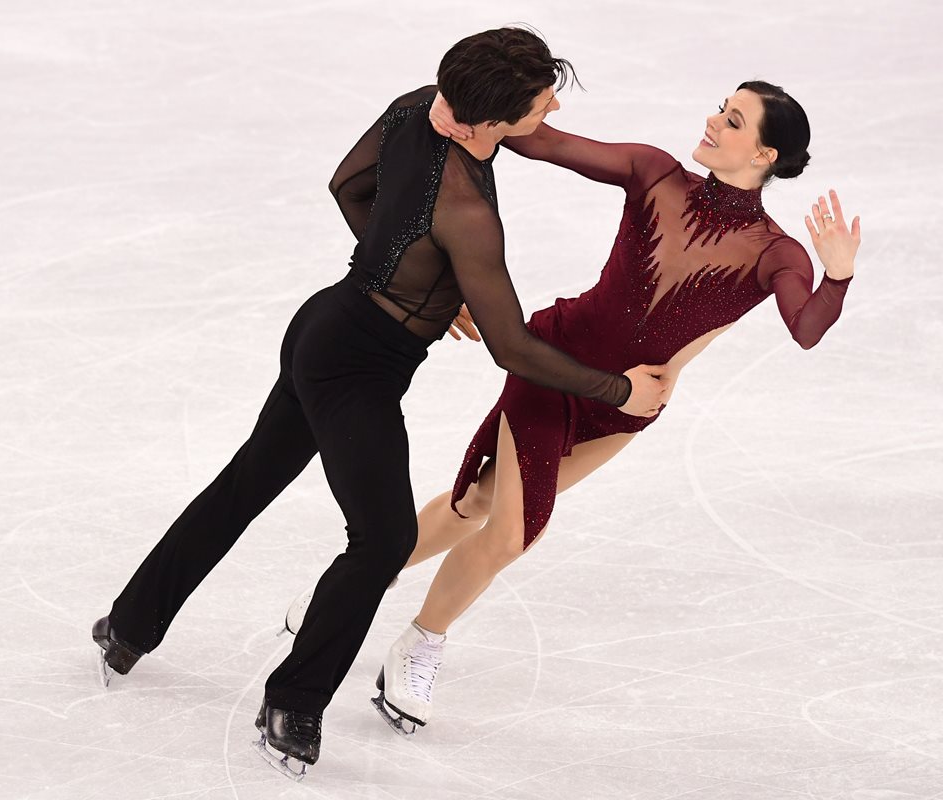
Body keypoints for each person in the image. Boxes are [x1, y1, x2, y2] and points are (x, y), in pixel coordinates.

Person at [91, 27, 667, 780]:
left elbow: (347, 185)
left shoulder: (415, 107)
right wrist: (621, 390)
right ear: (485, 121)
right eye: (539, 101)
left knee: (245, 486)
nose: (552, 104)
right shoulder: (465, 212)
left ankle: (128, 626)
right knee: (383, 539)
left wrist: (411, 276)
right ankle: (293, 701)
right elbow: (514, 349)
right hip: (354, 370)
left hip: (323, 326)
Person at [286, 80, 858, 737]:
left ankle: (349, 587)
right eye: (719, 108)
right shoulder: (653, 173)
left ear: (764, 155)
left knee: (474, 505)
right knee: (514, 530)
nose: (711, 120)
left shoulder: (776, 253)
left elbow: (806, 327)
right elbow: (542, 141)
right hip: (555, 364)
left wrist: (837, 273)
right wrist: (472, 92)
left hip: (626, 407)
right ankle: (421, 642)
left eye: (732, 121)